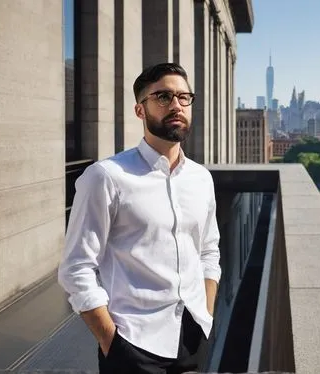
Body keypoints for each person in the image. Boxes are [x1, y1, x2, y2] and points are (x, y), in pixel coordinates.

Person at [58, 62, 221, 374]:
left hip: (193, 336)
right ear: (139, 110)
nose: (176, 105)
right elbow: (76, 268)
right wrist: (111, 342)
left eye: (184, 98)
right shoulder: (106, 177)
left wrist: (206, 314)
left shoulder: (201, 179)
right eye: (163, 97)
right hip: (133, 345)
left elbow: (208, 251)